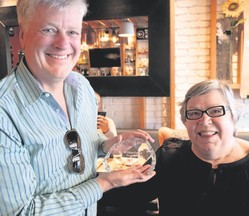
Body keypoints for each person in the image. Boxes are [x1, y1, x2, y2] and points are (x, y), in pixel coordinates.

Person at [0, 0, 155, 215]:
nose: (63, 43)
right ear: (23, 35)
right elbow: (19, 212)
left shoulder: (82, 87)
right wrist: (104, 184)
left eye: (72, 32)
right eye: (48, 29)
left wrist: (104, 146)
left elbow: (79, 149)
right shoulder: (4, 110)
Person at [100, 80, 249, 216]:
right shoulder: (170, 157)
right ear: (185, 122)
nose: (204, 120)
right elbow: (131, 194)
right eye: (194, 113)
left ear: (234, 117)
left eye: (215, 111)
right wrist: (104, 156)